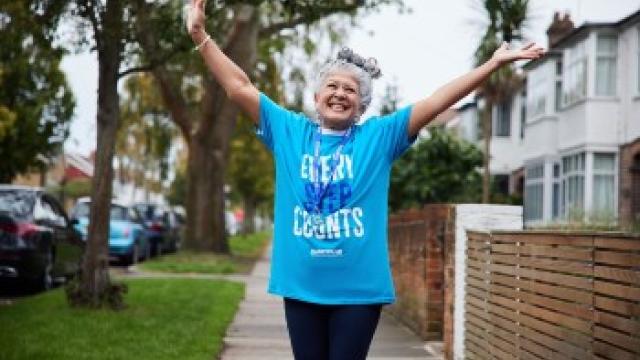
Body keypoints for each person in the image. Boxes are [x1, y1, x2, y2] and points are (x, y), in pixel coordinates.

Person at [185, 1, 544, 359]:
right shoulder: (288, 131)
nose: (340, 93)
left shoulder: (379, 138)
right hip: (301, 287)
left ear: (361, 106)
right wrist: (200, 35)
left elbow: (436, 102)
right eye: (333, 86)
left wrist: (492, 64)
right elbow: (239, 86)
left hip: (358, 292)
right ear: (317, 95)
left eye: (351, 90)